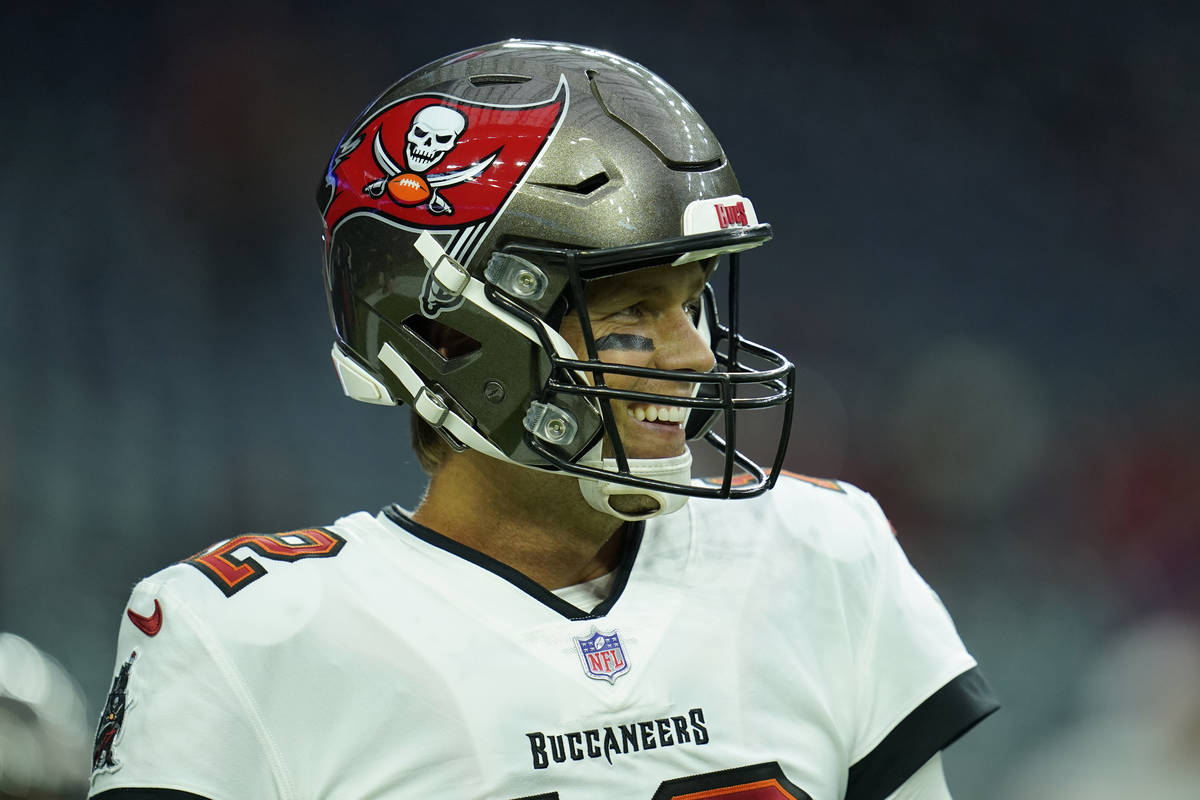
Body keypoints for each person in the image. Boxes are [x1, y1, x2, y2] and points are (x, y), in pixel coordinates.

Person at [88, 39, 997, 799]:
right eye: (633, 313)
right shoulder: (244, 638)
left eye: (693, 302)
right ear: (450, 328)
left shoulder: (823, 554)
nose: (692, 356)